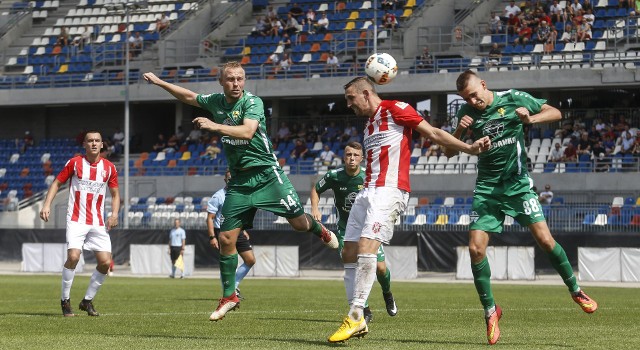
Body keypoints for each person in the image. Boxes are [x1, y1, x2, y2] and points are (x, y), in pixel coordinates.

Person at [143, 62, 338, 322]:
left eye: (240, 79)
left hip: (268, 175)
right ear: (221, 82)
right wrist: (159, 82)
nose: (236, 84)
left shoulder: (252, 102)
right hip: (239, 181)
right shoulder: (215, 101)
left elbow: (247, 131)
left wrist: (214, 126)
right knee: (226, 239)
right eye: (231, 79)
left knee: (299, 224)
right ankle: (229, 296)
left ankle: (320, 230)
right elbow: (188, 96)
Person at [327, 77, 490, 343]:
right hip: (367, 192)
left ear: (366, 94)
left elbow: (434, 133)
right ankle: (362, 313)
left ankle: (355, 316)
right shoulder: (369, 125)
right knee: (348, 252)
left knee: (368, 247)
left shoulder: (395, 108)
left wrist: (469, 149)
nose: (348, 104)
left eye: (350, 98)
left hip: (389, 190)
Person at [447, 70, 598, 345]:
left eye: (474, 94)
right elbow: (448, 151)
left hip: (518, 185)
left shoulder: (513, 97)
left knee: (545, 240)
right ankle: (491, 311)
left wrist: (531, 119)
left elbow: (555, 113)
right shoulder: (466, 114)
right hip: (487, 189)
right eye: (466, 98)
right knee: (475, 248)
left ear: (483, 84)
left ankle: (576, 290)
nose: (472, 101)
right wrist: (460, 131)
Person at [312, 142, 397, 326]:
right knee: (353, 266)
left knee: (380, 268)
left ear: (362, 158)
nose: (352, 158)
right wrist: (315, 208)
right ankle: (364, 310)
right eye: (348, 155)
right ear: (344, 157)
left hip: (368, 227)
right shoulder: (334, 176)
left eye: (355, 155)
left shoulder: (368, 176)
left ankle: (387, 293)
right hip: (345, 228)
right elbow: (316, 189)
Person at [39, 131, 120, 317]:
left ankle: (87, 301)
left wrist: (114, 214)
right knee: (74, 257)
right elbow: (56, 183)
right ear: (84, 144)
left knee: (105, 263)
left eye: (97, 141)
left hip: (98, 222)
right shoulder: (75, 163)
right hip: (76, 219)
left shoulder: (109, 168)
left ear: (102, 145)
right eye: (90, 141)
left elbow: (115, 194)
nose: (93, 143)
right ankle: (65, 300)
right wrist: (46, 204)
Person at [207, 170, 256, 300]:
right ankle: (229, 292)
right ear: (225, 180)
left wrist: (243, 229)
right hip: (223, 232)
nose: (231, 180)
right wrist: (212, 236)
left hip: (238, 230)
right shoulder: (218, 196)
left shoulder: (238, 195)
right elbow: (210, 218)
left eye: (233, 177)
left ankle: (234, 285)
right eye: (229, 178)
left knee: (250, 260)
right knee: (228, 262)